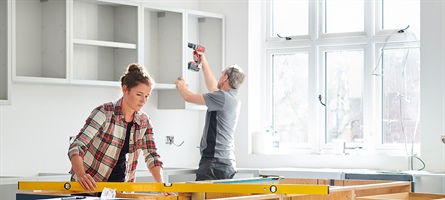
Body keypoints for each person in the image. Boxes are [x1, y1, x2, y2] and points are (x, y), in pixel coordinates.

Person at [68, 63, 173, 196]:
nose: (143, 100)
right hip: (88, 187)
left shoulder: (144, 122)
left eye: (147, 96)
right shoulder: (104, 113)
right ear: (125, 90)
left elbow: (152, 156)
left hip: (119, 191)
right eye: (139, 94)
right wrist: (81, 175)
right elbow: (77, 146)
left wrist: (161, 186)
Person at [175, 52, 246, 181]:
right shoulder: (231, 98)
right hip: (225, 162)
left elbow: (188, 97)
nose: (219, 77)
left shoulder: (222, 97)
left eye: (221, 74)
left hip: (214, 163)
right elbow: (213, 87)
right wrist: (204, 62)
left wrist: (181, 87)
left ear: (225, 78)